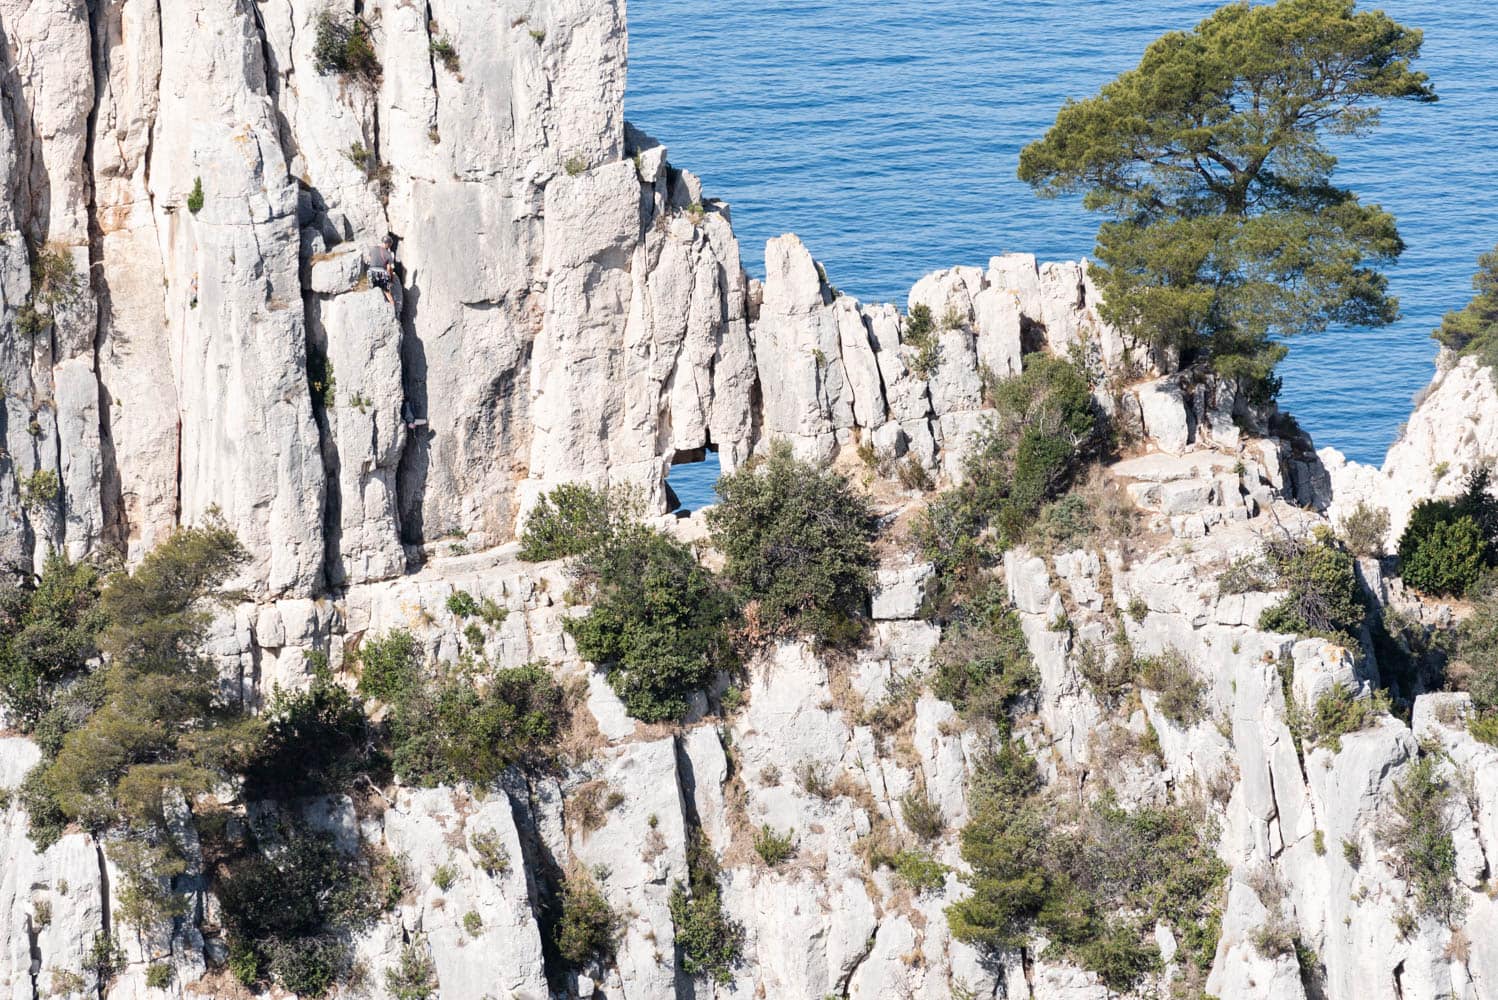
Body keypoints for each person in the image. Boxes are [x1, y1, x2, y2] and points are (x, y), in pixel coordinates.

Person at [368, 234, 398, 308]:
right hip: (381, 273)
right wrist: (391, 279)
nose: (390, 247)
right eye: (390, 245)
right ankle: (393, 308)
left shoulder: (373, 249)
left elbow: (369, 259)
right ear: (387, 244)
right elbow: (389, 268)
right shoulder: (388, 254)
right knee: (388, 293)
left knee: (372, 291)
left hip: (371, 273)